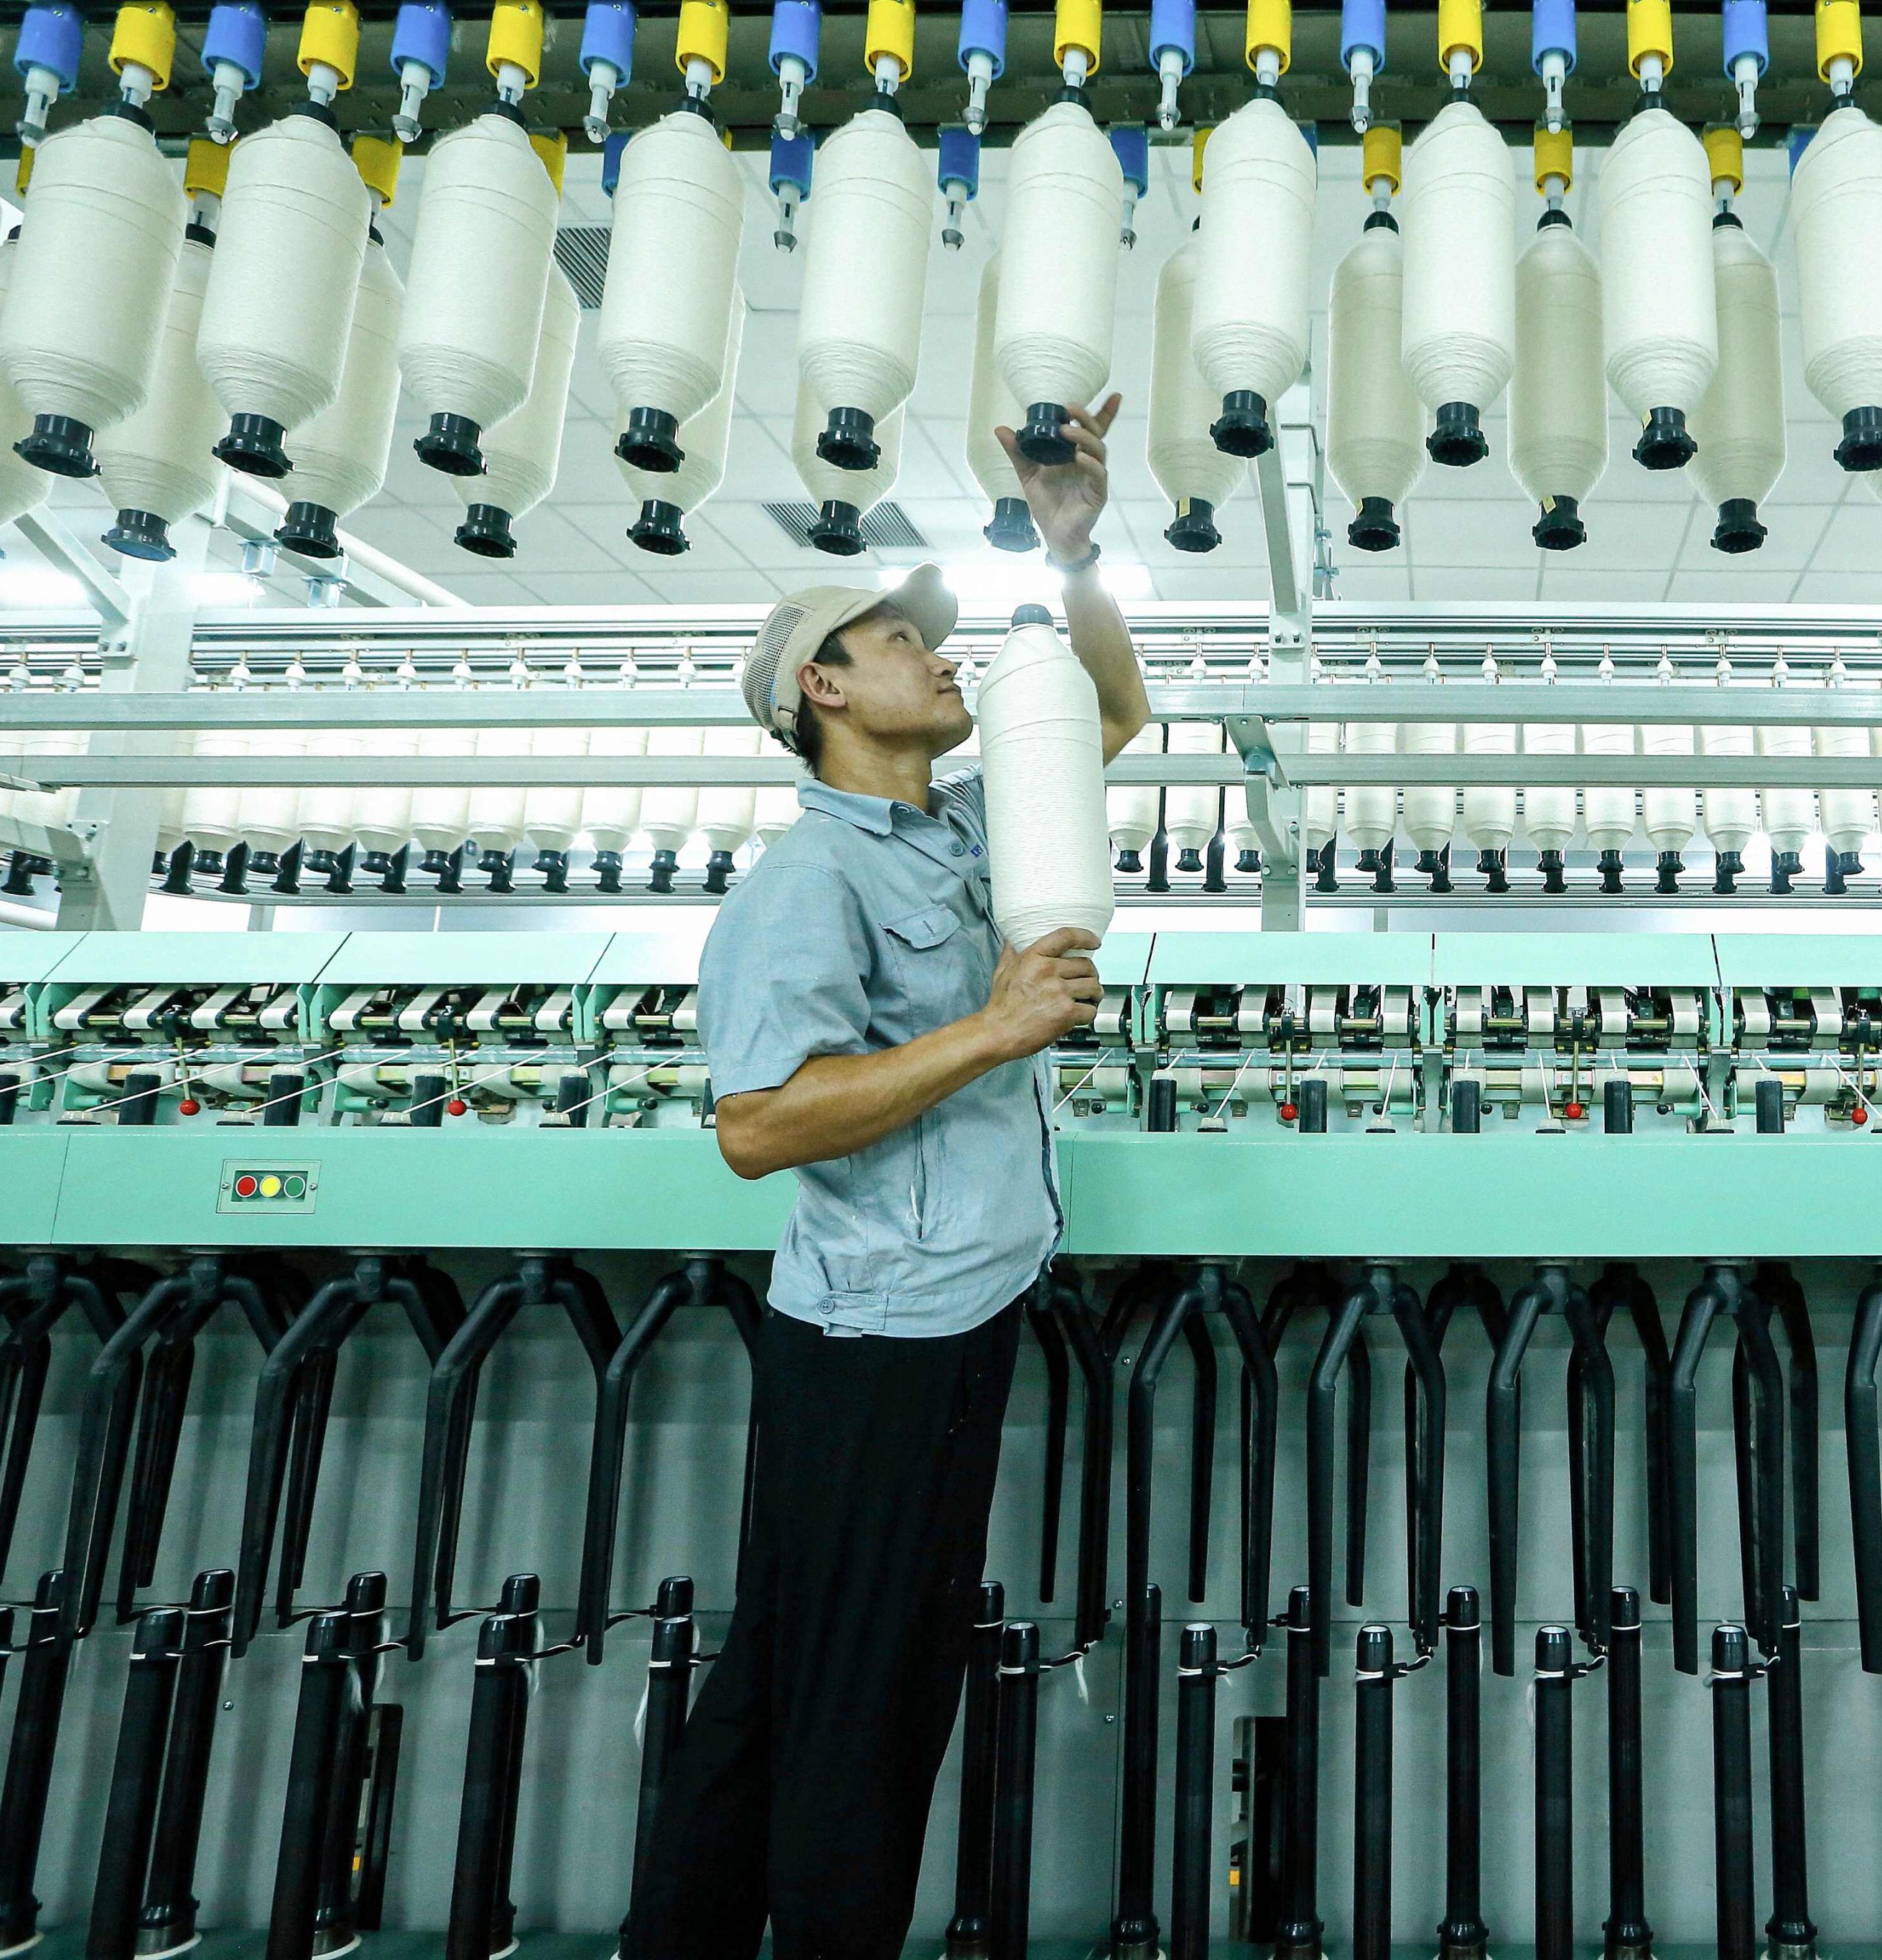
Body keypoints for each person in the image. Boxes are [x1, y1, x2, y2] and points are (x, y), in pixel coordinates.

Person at [626, 397, 1150, 1960]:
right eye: (895, 639)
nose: (937, 656)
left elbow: (1106, 715)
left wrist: (1073, 550)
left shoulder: (965, 833)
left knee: (786, 1672)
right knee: (869, 1696)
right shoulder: (807, 881)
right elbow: (757, 1125)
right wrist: (991, 1032)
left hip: (939, 1312)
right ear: (823, 687)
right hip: (880, 1342)